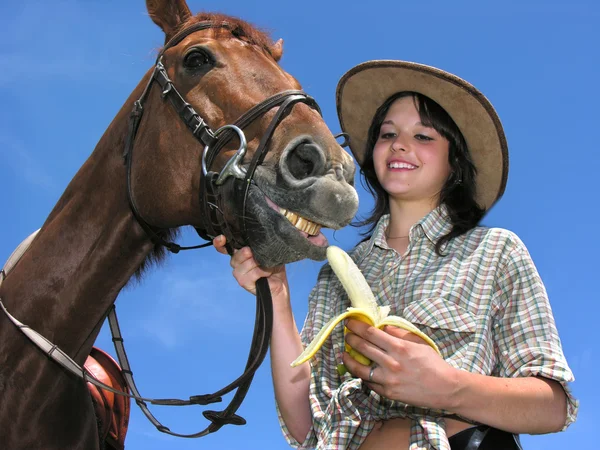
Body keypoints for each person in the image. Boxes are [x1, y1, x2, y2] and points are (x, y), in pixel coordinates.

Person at [213, 60, 578, 450]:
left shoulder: (495, 251)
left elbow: (553, 408)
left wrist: (447, 388)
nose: (400, 144)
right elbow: (307, 429)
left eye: (424, 136)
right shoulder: (336, 275)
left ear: (455, 163)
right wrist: (279, 297)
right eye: (388, 134)